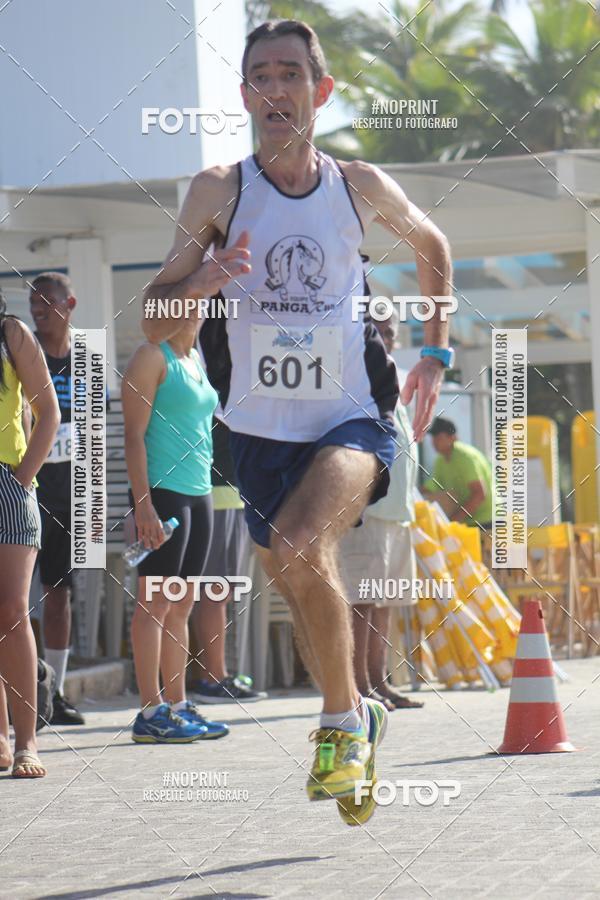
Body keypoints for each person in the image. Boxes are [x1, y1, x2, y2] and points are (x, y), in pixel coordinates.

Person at [142, 19, 453, 823]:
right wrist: (204, 276)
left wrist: (435, 352)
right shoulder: (218, 189)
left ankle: (341, 727)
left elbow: (433, 242)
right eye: (260, 77)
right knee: (296, 576)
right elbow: (153, 318)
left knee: (300, 544)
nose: (275, 89)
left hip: (351, 418)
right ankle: (360, 710)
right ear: (245, 95)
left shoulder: (358, 186)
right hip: (254, 435)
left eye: (290, 74)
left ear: (321, 92)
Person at [122, 314, 229, 743]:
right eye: (187, 300)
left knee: (181, 606)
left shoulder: (195, 359)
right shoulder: (151, 356)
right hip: (162, 492)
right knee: (154, 605)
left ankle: (178, 706)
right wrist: (142, 505)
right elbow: (132, 436)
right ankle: (150, 712)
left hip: (200, 490)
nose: (196, 309)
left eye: (201, 301)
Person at [339, 313, 423, 710]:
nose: (387, 337)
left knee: (386, 602)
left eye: (391, 331)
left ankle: (380, 682)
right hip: (368, 509)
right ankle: (359, 686)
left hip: (397, 510)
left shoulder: (393, 376)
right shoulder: (354, 377)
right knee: (363, 601)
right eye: (380, 330)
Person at [0, 287, 60, 776]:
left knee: (13, 611)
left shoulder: (12, 333)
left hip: (8, 481)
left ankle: (27, 742)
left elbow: (48, 412)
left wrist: (20, 480)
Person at [28, 272, 85, 725]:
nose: (38, 308)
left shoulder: (86, 360)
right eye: (33, 300)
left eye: (47, 300)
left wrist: (96, 502)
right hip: (26, 488)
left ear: (70, 303)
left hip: (72, 494)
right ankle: (23, 689)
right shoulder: (24, 354)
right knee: (14, 597)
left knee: (60, 593)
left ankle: (56, 692)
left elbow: (94, 434)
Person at [191, 418, 267, 703]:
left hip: (226, 492)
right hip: (217, 492)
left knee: (214, 592)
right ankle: (214, 679)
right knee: (214, 592)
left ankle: (213, 676)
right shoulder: (219, 380)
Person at [422, 417, 493, 528]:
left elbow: (479, 494)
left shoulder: (464, 457)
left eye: (439, 438)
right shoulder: (441, 460)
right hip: (468, 521)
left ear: (452, 438)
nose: (434, 442)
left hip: (487, 521)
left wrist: (453, 520)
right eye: (433, 438)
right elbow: (432, 487)